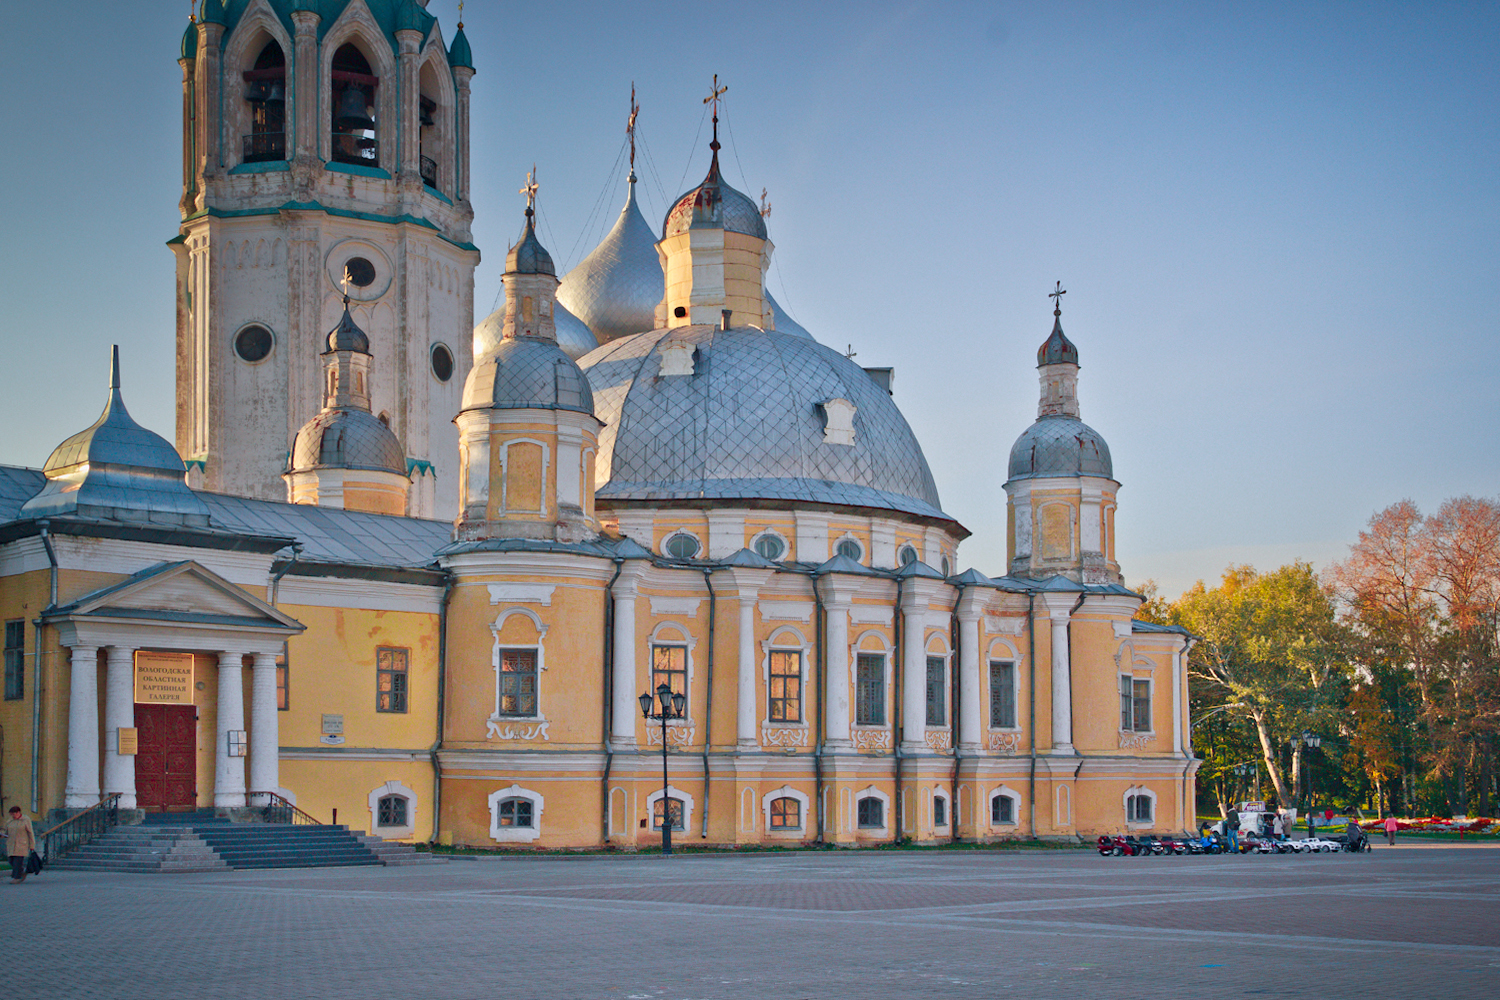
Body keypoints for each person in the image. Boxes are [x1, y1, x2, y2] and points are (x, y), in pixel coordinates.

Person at [4, 806, 36, 884]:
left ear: (18, 812)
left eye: (13, 814)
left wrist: (32, 845)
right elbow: (6, 832)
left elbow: (30, 833)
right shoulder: (10, 821)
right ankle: (21, 871)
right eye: (11, 814)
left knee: (17, 862)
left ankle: (17, 877)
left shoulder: (25, 820)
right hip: (11, 844)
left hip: (21, 844)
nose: (12, 816)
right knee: (11, 860)